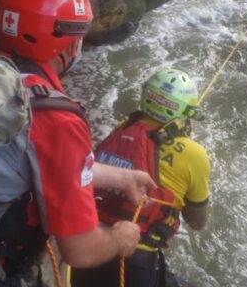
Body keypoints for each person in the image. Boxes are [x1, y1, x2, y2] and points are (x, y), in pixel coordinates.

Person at [0, 0, 157, 286]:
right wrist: (120, 238)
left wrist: (122, 177)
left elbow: (44, 163)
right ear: (70, 42)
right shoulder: (55, 118)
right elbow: (81, 250)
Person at [70, 69, 212, 287]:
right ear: (186, 111)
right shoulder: (194, 154)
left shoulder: (122, 127)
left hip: (89, 244)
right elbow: (197, 222)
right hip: (134, 257)